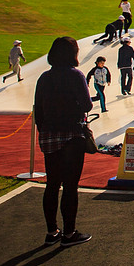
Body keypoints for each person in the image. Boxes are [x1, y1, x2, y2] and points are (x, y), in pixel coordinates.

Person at [34, 36, 93, 247]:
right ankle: (69, 233)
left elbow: (37, 109)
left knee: (52, 184)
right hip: (71, 134)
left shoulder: (44, 77)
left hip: (49, 135)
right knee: (70, 186)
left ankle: (52, 232)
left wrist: (43, 129)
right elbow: (87, 105)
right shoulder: (75, 75)